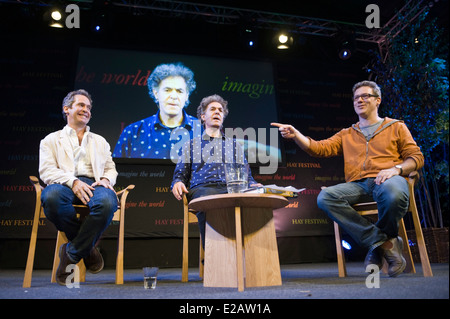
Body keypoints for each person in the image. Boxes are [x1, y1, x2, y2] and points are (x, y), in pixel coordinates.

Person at [272, 80, 424, 277]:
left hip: (388, 179)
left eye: (365, 96)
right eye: (356, 97)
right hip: (358, 185)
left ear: (377, 100)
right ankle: (383, 242)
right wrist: (296, 135)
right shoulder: (347, 133)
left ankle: (378, 246)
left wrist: (396, 169)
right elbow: (319, 148)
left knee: (393, 193)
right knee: (325, 197)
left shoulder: (396, 127)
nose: (359, 100)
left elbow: (416, 157)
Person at [39, 89, 119, 285]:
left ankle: (71, 252)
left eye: (89, 107)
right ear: (67, 109)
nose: (86, 110)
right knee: (51, 198)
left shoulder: (100, 141)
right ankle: (88, 250)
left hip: (95, 183)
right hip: (63, 182)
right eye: (81, 105)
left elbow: (110, 168)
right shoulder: (50, 140)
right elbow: (47, 171)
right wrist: (73, 182)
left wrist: (107, 181)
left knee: (108, 202)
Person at [171, 94, 261, 248]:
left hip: (232, 189)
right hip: (204, 189)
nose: (217, 112)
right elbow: (180, 174)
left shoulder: (234, 145)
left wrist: (254, 185)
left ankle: (248, 256)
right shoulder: (191, 145)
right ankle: (215, 261)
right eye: (212, 109)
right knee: (210, 199)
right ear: (203, 117)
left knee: (257, 200)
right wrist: (177, 182)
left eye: (220, 110)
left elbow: (246, 175)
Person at [113, 62, 202, 160]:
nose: (173, 96)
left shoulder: (203, 131)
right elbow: (116, 172)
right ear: (156, 93)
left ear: (187, 96)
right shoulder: (132, 132)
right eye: (167, 90)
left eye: (179, 91)